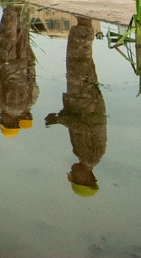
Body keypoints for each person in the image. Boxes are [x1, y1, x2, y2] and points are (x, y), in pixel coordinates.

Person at [45, 16, 107, 198]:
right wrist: (60, 120)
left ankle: (84, 24)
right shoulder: (90, 157)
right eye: (75, 176)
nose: (72, 172)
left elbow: (81, 126)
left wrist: (62, 118)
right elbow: (86, 127)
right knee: (79, 59)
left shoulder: (86, 156)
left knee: (80, 61)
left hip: (82, 99)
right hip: (85, 99)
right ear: (85, 178)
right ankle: (84, 24)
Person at [0, 5, 39, 138]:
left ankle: (22, 5)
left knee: (21, 31)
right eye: (2, 121)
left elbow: (32, 79)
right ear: (10, 122)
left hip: (21, 63)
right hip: (4, 63)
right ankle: (10, 4)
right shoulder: (5, 106)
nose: (1, 119)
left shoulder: (28, 102)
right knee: (6, 32)